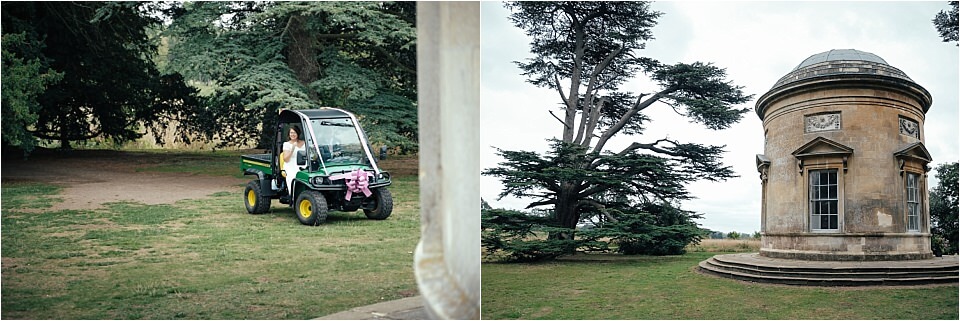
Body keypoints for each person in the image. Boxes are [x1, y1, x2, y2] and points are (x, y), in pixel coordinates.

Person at [282, 125, 306, 194]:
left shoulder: (304, 143)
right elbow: (286, 159)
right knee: (293, 176)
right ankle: (293, 194)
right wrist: (292, 149)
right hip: (291, 165)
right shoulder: (286, 144)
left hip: (303, 163)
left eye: (294, 132)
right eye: (291, 133)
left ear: (298, 133)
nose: (293, 134)